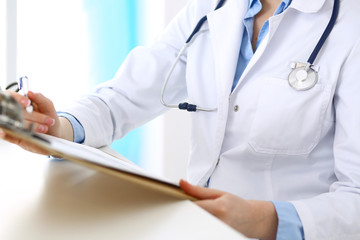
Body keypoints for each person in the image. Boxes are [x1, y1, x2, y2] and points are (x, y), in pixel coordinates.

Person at [1, 0, 360, 239]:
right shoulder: (211, 10)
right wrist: (57, 127)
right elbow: (124, 96)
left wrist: (265, 219)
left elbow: (355, 197)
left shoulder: (349, 25)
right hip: (198, 228)